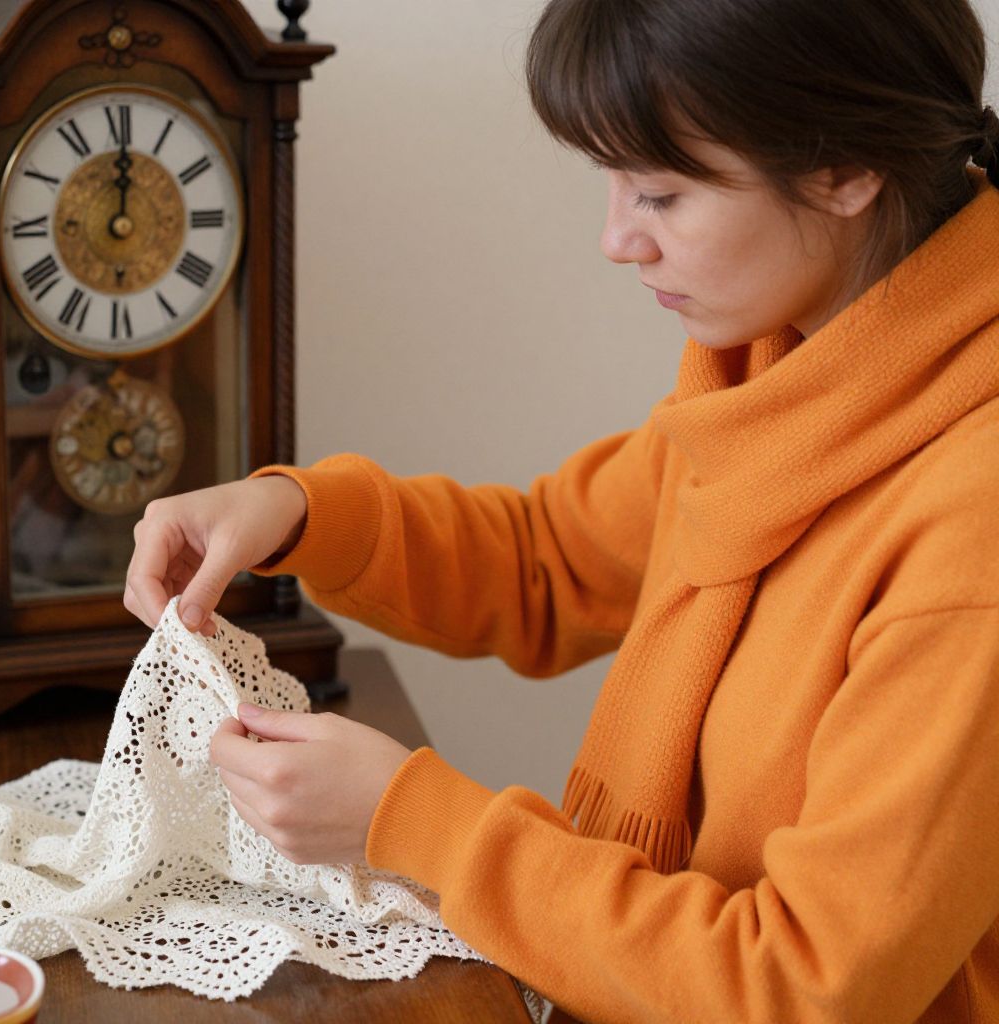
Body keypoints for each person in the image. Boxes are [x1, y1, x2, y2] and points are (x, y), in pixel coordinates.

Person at [124, 0, 999, 1019]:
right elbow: (550, 559)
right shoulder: (782, 373)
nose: (617, 239)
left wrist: (418, 823)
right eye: (612, 182)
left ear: (845, 169)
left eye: (660, 193)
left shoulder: (969, 525)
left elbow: (804, 986)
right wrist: (294, 512)